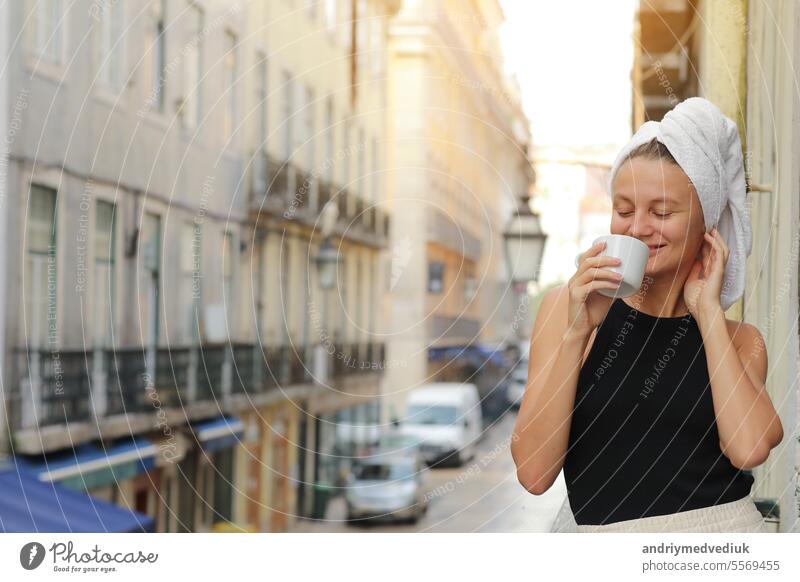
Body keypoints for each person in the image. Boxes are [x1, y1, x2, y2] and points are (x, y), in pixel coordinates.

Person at [510, 98, 784, 533]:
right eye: (623, 210)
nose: (637, 227)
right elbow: (534, 473)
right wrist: (578, 332)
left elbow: (749, 447)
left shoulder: (738, 339)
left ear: (705, 225)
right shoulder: (565, 312)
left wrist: (708, 312)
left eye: (661, 212)